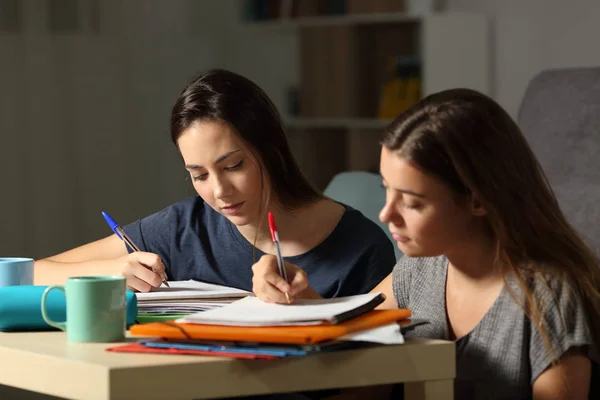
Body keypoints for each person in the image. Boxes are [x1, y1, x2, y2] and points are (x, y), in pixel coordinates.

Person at [252, 88, 600, 399]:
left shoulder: (546, 299)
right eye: (385, 189)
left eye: (413, 202)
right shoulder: (416, 273)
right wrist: (297, 297)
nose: (387, 215)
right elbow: (351, 339)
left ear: (478, 201)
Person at [34, 68, 396, 297]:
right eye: (199, 175)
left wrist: (307, 316)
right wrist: (109, 273)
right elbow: (28, 273)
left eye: (233, 165)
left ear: (271, 150)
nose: (219, 192)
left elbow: (376, 388)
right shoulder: (184, 230)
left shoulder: (361, 248)